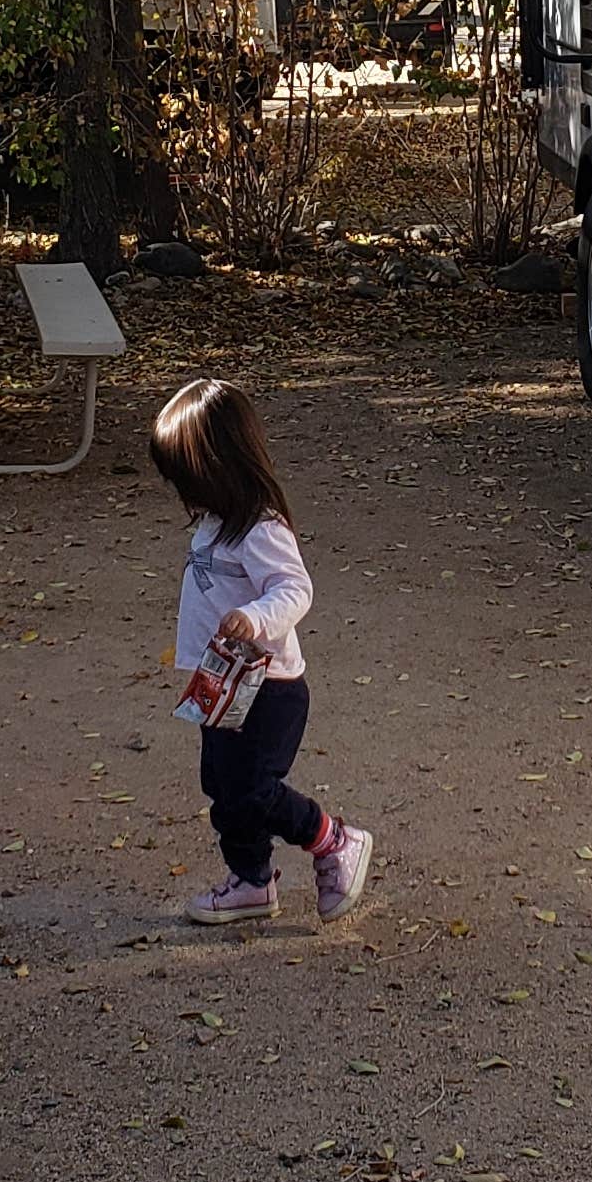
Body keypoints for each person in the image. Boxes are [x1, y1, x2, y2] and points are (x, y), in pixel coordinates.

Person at [150, 375, 373, 930]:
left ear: (222, 465)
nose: (184, 494)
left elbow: (296, 589)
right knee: (223, 789)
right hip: (221, 687)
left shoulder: (259, 527)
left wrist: (254, 618)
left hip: (269, 688)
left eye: (188, 478)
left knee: (254, 790)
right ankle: (251, 881)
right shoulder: (212, 523)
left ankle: (333, 839)